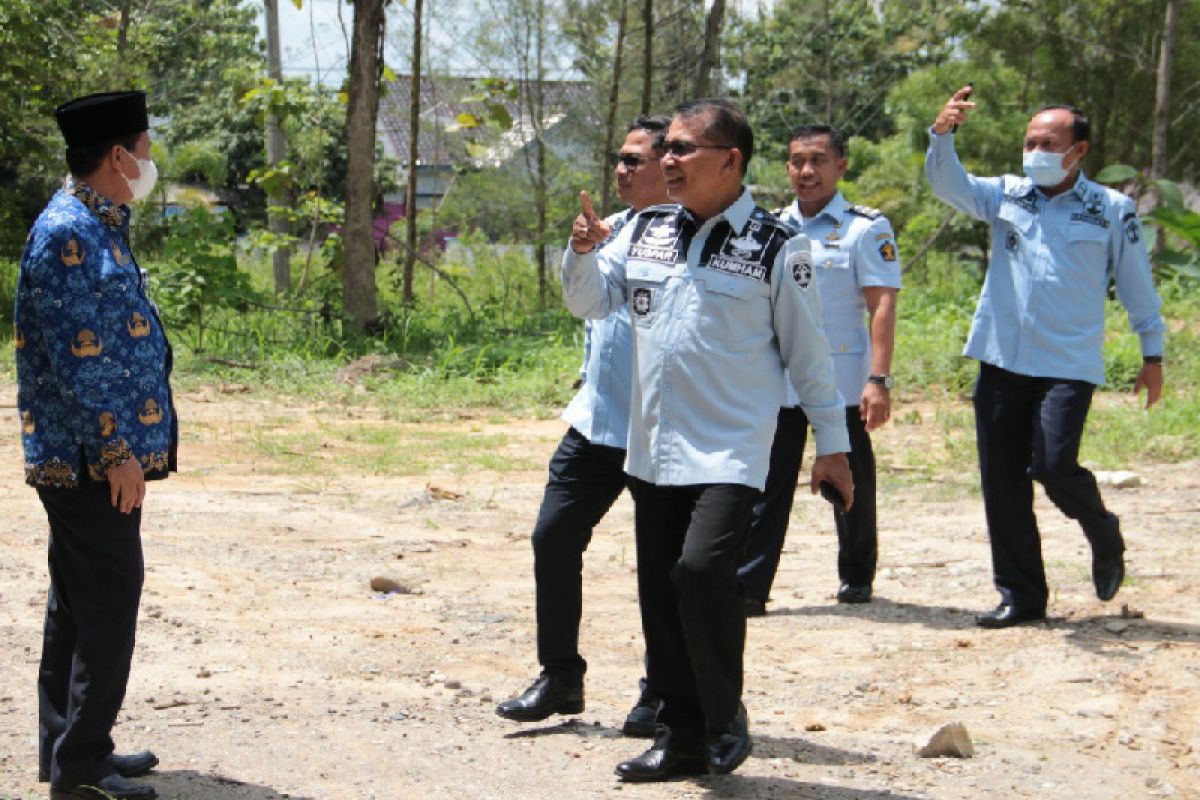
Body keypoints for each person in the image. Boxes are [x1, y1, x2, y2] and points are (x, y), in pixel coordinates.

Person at [562, 99, 853, 782]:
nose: (668, 159)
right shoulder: (645, 230)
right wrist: (580, 252)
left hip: (731, 448)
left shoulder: (779, 247)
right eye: (666, 148)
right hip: (652, 445)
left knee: (701, 573)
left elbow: (811, 356)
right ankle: (681, 734)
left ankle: (725, 715)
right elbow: (590, 302)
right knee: (661, 595)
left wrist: (831, 447)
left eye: (685, 149)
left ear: (731, 161)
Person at [926, 87, 1165, 629]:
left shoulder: (1111, 209)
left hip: (1067, 364)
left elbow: (1136, 287)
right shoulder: (1006, 194)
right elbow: (948, 184)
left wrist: (1152, 353)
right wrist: (942, 135)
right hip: (1002, 361)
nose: (1034, 151)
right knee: (1003, 484)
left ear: (1077, 151)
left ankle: (1103, 531)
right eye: (1029, 141)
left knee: (1054, 466)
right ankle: (1022, 596)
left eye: (1047, 142)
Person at [15, 91, 176, 800]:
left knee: (77, 602)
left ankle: (70, 746)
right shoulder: (68, 234)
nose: (147, 161)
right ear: (118, 156)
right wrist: (117, 453)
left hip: (93, 454)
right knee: (110, 595)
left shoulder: (100, 225)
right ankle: (82, 768)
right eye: (143, 148)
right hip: (88, 459)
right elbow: (80, 362)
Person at [496, 116, 672, 736]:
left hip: (662, 431)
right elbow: (582, 301)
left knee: (663, 568)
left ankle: (663, 693)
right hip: (597, 423)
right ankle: (560, 676)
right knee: (553, 536)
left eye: (635, 160)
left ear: (672, 166)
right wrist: (580, 248)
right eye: (619, 159)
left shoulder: (691, 236)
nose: (622, 170)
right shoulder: (613, 230)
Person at [738, 124, 901, 613]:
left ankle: (856, 576)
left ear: (840, 166)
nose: (806, 172)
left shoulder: (864, 227)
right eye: (796, 161)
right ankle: (749, 587)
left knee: (850, 480)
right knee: (767, 484)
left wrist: (879, 379)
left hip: (843, 380)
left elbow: (882, 305)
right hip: (782, 379)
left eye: (817, 161)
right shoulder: (772, 226)